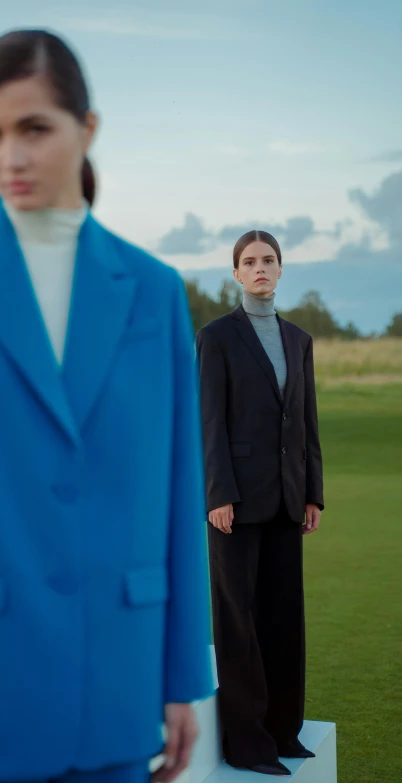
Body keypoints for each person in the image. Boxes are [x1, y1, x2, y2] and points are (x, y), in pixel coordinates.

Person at [0, 29, 213, 783]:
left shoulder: (155, 291)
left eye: (34, 129)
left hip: (121, 686)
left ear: (87, 128)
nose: (10, 158)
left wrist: (183, 677)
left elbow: (175, 491)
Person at [196, 230, 324, 777]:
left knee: (282, 617)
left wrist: (313, 492)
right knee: (238, 622)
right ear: (236, 273)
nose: (260, 268)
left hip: (286, 500)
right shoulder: (217, 336)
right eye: (249, 262)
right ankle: (246, 743)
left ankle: (282, 732)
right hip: (235, 503)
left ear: (280, 268)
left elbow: (307, 422)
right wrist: (218, 492)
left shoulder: (298, 339)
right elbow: (209, 421)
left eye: (269, 259)